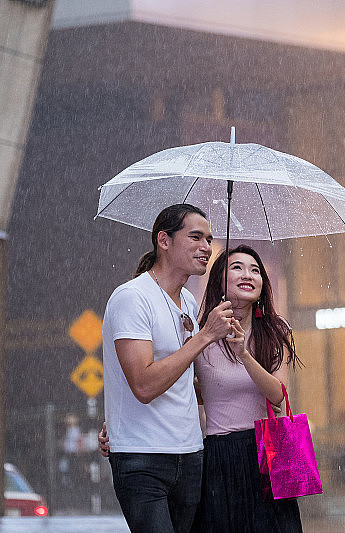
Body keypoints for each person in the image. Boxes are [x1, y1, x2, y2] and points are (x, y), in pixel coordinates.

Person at [101, 203, 234, 533]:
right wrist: (203, 337)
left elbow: (185, 381)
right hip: (142, 457)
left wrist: (242, 364)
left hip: (190, 453)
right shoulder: (132, 298)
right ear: (164, 240)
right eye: (195, 237)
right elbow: (144, 386)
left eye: (209, 239)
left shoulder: (188, 301)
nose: (206, 247)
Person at [191, 245, 303, 532]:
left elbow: (278, 394)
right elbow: (182, 391)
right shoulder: (199, 335)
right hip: (220, 455)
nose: (248, 274)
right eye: (238, 267)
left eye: (255, 270)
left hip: (267, 452)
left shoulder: (276, 332)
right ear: (220, 280)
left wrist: (244, 354)